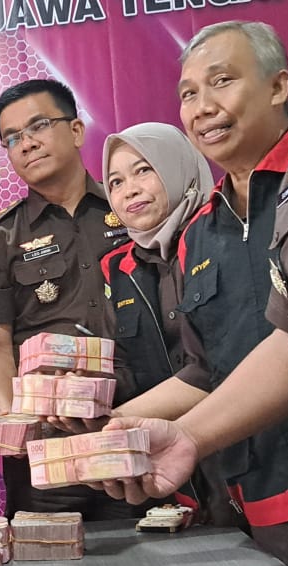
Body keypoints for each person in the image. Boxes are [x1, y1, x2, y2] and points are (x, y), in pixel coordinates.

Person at [98, 20, 288, 566]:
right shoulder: (199, 233)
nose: (203, 107)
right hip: (247, 501)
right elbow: (205, 369)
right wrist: (115, 425)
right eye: (189, 93)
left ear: (278, 86)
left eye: (222, 81)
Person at [0, 79, 137, 519]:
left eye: (39, 126)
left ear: (76, 130)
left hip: (135, 425)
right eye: (12, 138)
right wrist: (12, 424)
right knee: (48, 553)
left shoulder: (131, 207)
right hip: (48, 445)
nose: (26, 144)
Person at [96, 123, 241, 525]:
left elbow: (216, 367)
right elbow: (123, 366)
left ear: (177, 166)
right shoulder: (119, 268)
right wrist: (79, 400)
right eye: (115, 181)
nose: (130, 190)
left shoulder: (224, 235)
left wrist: (110, 425)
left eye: (143, 170)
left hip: (253, 451)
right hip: (178, 474)